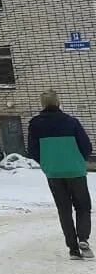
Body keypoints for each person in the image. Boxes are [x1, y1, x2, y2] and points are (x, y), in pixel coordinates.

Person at [27, 90, 93, 260]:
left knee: (64, 210)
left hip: (54, 173)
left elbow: (33, 151)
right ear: (58, 103)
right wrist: (79, 160)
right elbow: (86, 146)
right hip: (75, 171)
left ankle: (73, 249)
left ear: (42, 104)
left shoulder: (35, 124)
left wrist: (47, 163)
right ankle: (83, 238)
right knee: (83, 206)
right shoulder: (71, 122)